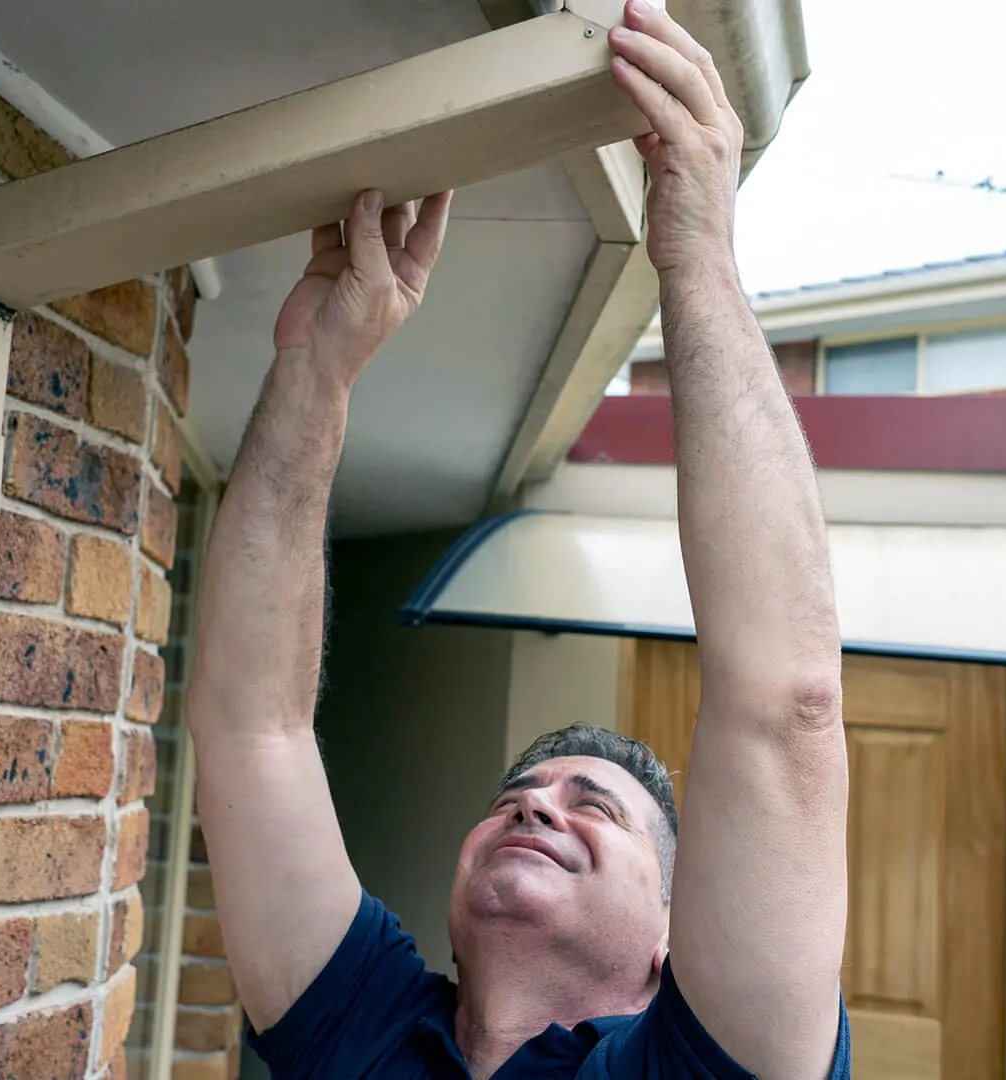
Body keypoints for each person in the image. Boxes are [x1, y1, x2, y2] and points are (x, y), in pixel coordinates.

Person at [183, 2, 850, 1077]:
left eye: (594, 809)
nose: (536, 802)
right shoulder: (361, 1025)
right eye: (515, 802)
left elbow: (787, 704)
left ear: (677, 934)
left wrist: (697, 260)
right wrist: (315, 370)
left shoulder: (700, 1068)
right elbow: (250, 725)